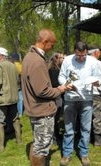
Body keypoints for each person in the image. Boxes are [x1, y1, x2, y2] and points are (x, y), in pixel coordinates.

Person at [21, 29, 67, 166]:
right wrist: (60, 89)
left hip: (34, 108)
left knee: (37, 144)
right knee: (41, 148)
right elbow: (42, 91)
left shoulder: (29, 56)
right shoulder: (37, 61)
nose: (52, 47)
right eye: (52, 44)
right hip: (41, 111)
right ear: (44, 42)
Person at [58, 41, 101, 166]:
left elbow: (98, 78)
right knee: (68, 128)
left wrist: (95, 82)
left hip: (86, 99)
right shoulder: (67, 60)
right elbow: (61, 76)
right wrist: (67, 84)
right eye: (78, 55)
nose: (81, 58)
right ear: (74, 51)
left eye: (84, 55)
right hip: (70, 98)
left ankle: (84, 154)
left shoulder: (93, 62)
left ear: (87, 52)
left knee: (86, 128)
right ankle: (67, 154)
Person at [0, 47, 22, 152]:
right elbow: (17, 80)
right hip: (13, 97)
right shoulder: (13, 65)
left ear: (1, 55)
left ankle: (0, 146)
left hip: (2, 98)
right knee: (15, 119)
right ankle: (19, 140)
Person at [88, 48, 101, 146]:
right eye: (99, 52)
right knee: (99, 116)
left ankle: (86, 137)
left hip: (86, 94)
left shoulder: (84, 62)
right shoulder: (98, 63)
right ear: (96, 52)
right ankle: (98, 140)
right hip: (97, 94)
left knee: (87, 116)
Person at [48, 52, 65, 144]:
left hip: (57, 95)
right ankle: (54, 137)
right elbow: (54, 84)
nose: (63, 59)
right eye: (61, 58)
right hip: (55, 96)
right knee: (55, 116)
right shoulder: (53, 70)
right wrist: (64, 85)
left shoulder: (56, 69)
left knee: (56, 117)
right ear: (56, 59)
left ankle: (56, 135)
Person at [10, 52, 24, 117]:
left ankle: (17, 112)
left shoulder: (14, 65)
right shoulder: (20, 65)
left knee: (17, 99)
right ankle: (20, 112)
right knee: (20, 99)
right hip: (20, 84)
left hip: (15, 84)